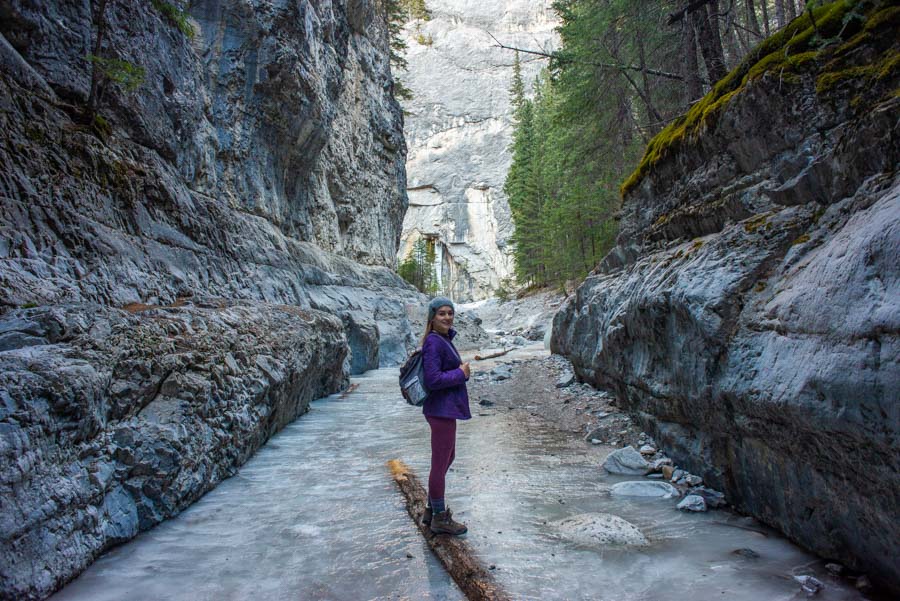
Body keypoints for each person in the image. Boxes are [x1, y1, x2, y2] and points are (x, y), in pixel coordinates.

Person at [420, 296, 471, 535]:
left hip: (445, 408)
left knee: (447, 458)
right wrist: (461, 374)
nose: (447, 317)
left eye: (450, 313)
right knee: (440, 463)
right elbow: (433, 379)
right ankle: (440, 517)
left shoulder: (443, 339)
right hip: (440, 409)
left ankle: (431, 510)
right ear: (432, 317)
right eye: (442, 313)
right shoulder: (433, 342)